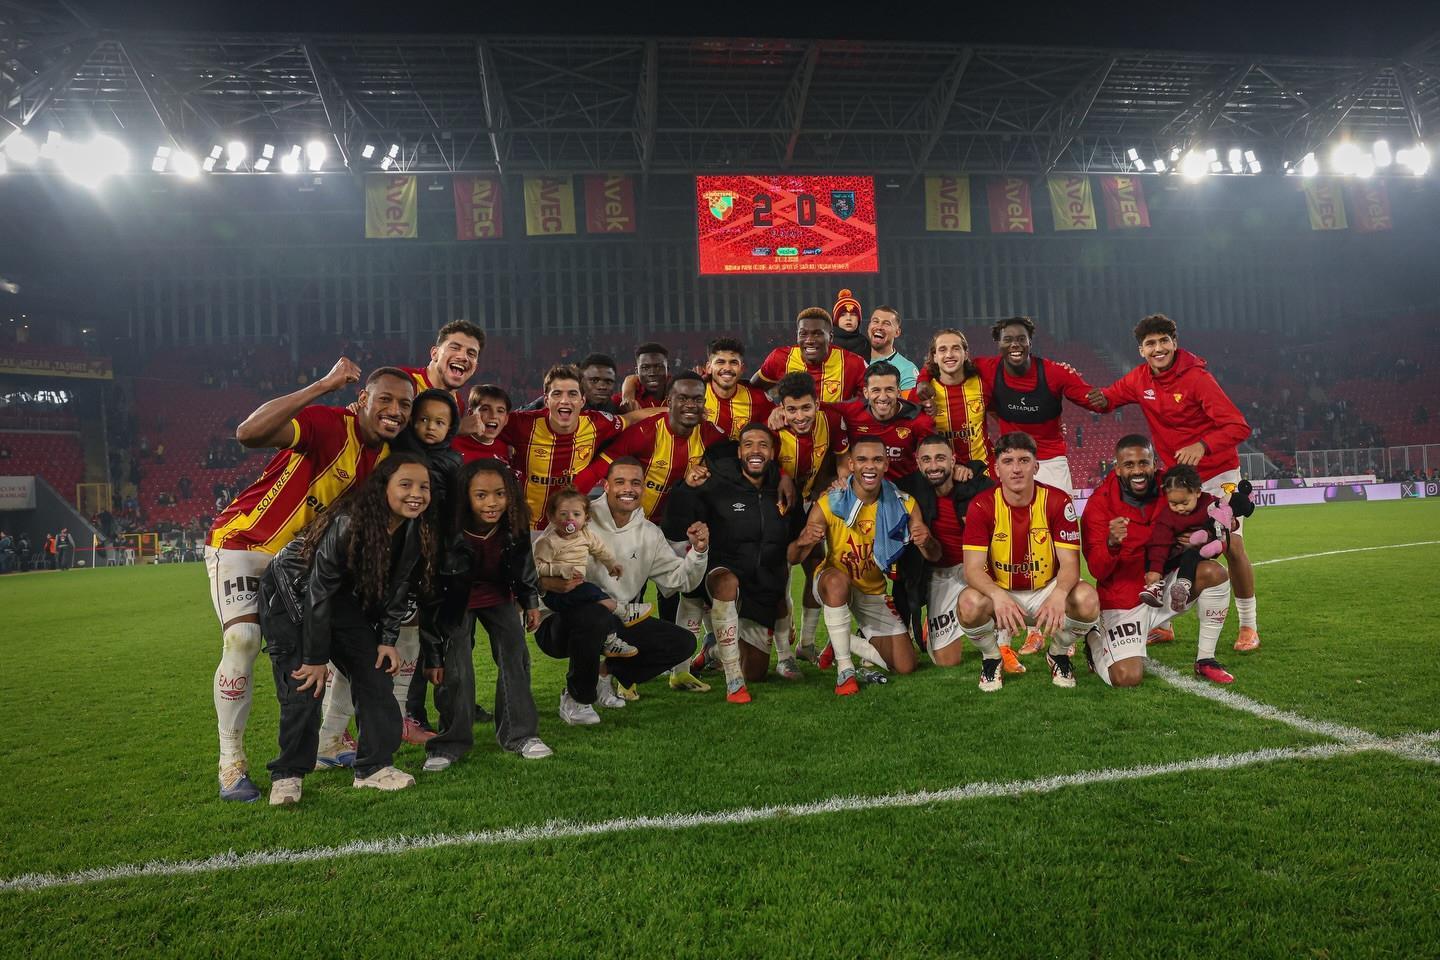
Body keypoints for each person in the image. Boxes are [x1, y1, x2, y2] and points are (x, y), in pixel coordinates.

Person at [205, 360, 412, 802]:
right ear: (362, 400)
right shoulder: (329, 424)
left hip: (304, 566)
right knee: (243, 640)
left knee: (350, 643)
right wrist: (323, 385)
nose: (395, 410)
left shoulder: (388, 460)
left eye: (404, 404)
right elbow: (248, 433)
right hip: (246, 543)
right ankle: (231, 761)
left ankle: (329, 742)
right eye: (386, 400)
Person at [258, 454, 435, 805]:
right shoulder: (349, 523)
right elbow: (317, 591)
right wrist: (314, 658)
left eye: (424, 487)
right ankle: (288, 774)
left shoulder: (415, 530)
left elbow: (400, 588)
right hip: (292, 595)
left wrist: (387, 640)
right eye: (406, 484)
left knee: (375, 673)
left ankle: (373, 769)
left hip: (337, 600)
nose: (416, 493)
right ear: (383, 488)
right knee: (304, 685)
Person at [1087, 313, 1260, 652]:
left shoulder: (1197, 378)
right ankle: (1163, 625)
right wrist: (1076, 387)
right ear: (1141, 351)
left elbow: (1239, 426)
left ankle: (1248, 626)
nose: (1158, 348)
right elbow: (1105, 399)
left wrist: (1203, 446)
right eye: (1150, 343)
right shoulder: (1138, 379)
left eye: (1164, 341)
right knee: (1164, 541)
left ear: (1174, 343)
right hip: (1177, 481)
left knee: (1232, 546)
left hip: (1218, 475)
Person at [535, 457, 708, 721]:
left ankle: (604, 675)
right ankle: (577, 698)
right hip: (558, 623)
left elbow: (680, 581)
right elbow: (534, 566)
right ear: (606, 486)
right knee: (595, 615)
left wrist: (698, 551)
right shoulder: (576, 516)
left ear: (643, 488)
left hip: (615, 622)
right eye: (620, 482)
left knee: (682, 643)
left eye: (635, 483)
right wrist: (548, 583)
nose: (628, 489)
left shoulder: (650, 533)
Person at [423, 459, 551, 769]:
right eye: (481, 495)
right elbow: (430, 590)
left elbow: (524, 563)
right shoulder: (446, 526)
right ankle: (448, 744)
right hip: (455, 600)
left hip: (498, 595)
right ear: (465, 496)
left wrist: (530, 601)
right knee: (456, 669)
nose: (492, 503)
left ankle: (520, 735)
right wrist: (433, 654)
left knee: (516, 656)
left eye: (500, 494)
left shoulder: (514, 520)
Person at [790, 437, 941, 692]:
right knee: (837, 581)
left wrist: (926, 541)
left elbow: (934, 555)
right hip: (831, 584)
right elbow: (793, 558)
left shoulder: (904, 504)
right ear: (851, 464)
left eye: (877, 460)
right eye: (862, 460)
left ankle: (841, 640)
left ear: (886, 465)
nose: (869, 466)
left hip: (872, 590)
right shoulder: (830, 502)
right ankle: (845, 670)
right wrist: (802, 542)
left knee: (906, 665)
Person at [1080, 435, 1234, 686]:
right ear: (1117, 468)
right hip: (1124, 598)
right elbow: (1097, 569)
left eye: (1144, 462)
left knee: (1213, 572)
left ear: (1154, 463)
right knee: (1126, 678)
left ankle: (1205, 659)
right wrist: (1112, 544)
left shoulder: (1172, 485)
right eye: (1129, 465)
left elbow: (1208, 517)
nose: (1137, 471)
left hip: (1166, 585)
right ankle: (1094, 638)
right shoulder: (1099, 504)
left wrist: (1203, 537)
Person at [668, 424, 806, 699]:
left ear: (772, 453)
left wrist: (807, 538)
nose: (756, 450)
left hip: (761, 587)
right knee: (726, 581)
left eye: (763, 445)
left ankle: (714, 650)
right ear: (739, 451)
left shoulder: (784, 490)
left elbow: (795, 537)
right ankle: (733, 680)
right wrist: (685, 489)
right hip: (722, 573)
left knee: (755, 671)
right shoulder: (715, 485)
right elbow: (675, 525)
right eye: (748, 444)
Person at [957, 432, 1100, 692]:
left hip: (1046, 588)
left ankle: (1058, 654)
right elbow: (972, 569)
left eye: (1024, 460)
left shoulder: (1057, 501)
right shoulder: (981, 506)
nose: (1016, 469)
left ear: (1036, 466)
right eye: (1008, 461)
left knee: (1088, 600)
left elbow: (1070, 564)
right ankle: (991, 658)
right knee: (968, 604)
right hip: (1003, 591)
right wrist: (996, 595)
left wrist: (1059, 593)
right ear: (997, 469)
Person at [974, 316, 1104, 494]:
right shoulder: (985, 368)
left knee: (1058, 512)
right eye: (1008, 339)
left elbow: (1094, 400)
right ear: (999, 343)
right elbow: (949, 366)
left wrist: (1104, 397)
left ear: (1030, 342)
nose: (1015, 344)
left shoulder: (1055, 373)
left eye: (1021, 339)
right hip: (1012, 460)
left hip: (1051, 461)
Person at [771, 371, 849, 662]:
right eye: (791, 409)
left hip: (810, 503)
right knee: (779, 575)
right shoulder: (772, 427)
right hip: (778, 507)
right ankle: (783, 657)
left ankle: (805, 644)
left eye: (806, 408)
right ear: (781, 408)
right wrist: (781, 475)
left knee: (815, 566)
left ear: (817, 403)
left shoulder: (832, 420)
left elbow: (842, 459)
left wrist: (840, 481)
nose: (800, 416)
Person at [897, 435, 992, 668]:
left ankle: (998, 641)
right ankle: (937, 623)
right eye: (926, 460)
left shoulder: (977, 486)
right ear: (918, 463)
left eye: (940, 458)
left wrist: (971, 469)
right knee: (947, 661)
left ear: (953, 460)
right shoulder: (908, 490)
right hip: (940, 574)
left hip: (980, 568)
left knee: (993, 607)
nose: (933, 466)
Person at [500, 364, 626, 530]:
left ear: (582, 401)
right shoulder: (521, 423)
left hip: (567, 529)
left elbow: (632, 419)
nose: (565, 401)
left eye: (572, 394)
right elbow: (483, 425)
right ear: (546, 400)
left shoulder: (597, 423)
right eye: (557, 393)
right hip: (522, 527)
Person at [532, 487, 637, 633]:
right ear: (552, 517)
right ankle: (623, 611)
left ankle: (609, 637)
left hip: (576, 587)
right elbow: (536, 567)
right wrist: (560, 570)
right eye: (563, 514)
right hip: (554, 594)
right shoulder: (548, 542)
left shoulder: (586, 535)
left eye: (576, 514)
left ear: (586, 518)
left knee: (593, 610)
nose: (570, 518)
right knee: (591, 591)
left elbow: (600, 550)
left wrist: (611, 564)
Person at [1140, 465, 1234, 612]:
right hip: (1172, 552)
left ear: (1197, 492)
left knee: (1192, 554)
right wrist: (1155, 570)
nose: (1180, 508)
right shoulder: (1167, 516)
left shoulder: (1210, 504)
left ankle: (1182, 588)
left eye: (1184, 503)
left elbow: (1226, 513)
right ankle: (1155, 587)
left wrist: (1233, 523)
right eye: (1173, 504)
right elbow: (1160, 544)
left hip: (1199, 550)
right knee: (1152, 553)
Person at [831, 361, 935, 481]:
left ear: (898, 392)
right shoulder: (851, 411)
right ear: (866, 393)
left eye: (889, 390)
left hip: (905, 484)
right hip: (862, 484)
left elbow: (933, 458)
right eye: (876, 390)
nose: (883, 397)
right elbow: (818, 406)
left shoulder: (919, 420)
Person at [752, 307, 867, 402]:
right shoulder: (780, 358)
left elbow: (870, 398)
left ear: (831, 337)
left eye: (817, 334)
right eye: (803, 334)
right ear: (797, 336)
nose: (809, 340)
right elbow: (752, 389)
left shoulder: (853, 363)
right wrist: (772, 411)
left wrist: (846, 413)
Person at [911, 328, 991, 466]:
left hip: (981, 468)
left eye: (956, 348)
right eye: (942, 349)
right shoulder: (922, 393)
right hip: (941, 471)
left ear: (965, 354)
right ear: (934, 357)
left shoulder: (982, 384)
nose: (949, 355)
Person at [399, 319, 485, 421]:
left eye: (471, 354)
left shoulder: (458, 405)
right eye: (455, 348)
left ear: (475, 367)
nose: (463, 357)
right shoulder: (404, 379)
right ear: (434, 354)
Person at [702, 337, 775, 439]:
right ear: (709, 368)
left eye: (733, 362)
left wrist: (779, 411)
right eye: (720, 362)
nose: (727, 368)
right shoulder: (697, 396)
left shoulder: (758, 399)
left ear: (742, 369)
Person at [518, 353, 621, 414]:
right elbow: (517, 417)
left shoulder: (617, 413)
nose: (602, 387)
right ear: (581, 381)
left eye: (608, 381)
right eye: (594, 380)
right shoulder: (556, 402)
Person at [452, 384, 514, 465]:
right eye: (485, 409)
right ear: (471, 413)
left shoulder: (503, 448)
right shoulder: (452, 442)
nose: (493, 416)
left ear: (506, 419)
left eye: (500, 411)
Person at [864, 305, 920, 390]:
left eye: (886, 324)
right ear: (868, 327)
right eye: (875, 321)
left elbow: (908, 399)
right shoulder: (855, 361)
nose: (879, 327)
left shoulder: (906, 369)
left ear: (897, 332)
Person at [619, 342, 672, 412]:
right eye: (645, 368)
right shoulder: (623, 402)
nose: (652, 373)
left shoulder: (679, 392)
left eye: (658, 367)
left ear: (667, 370)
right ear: (637, 372)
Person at [830, 288, 869, 356]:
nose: (848, 318)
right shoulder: (827, 343)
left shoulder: (865, 344)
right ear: (836, 320)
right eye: (843, 315)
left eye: (853, 314)